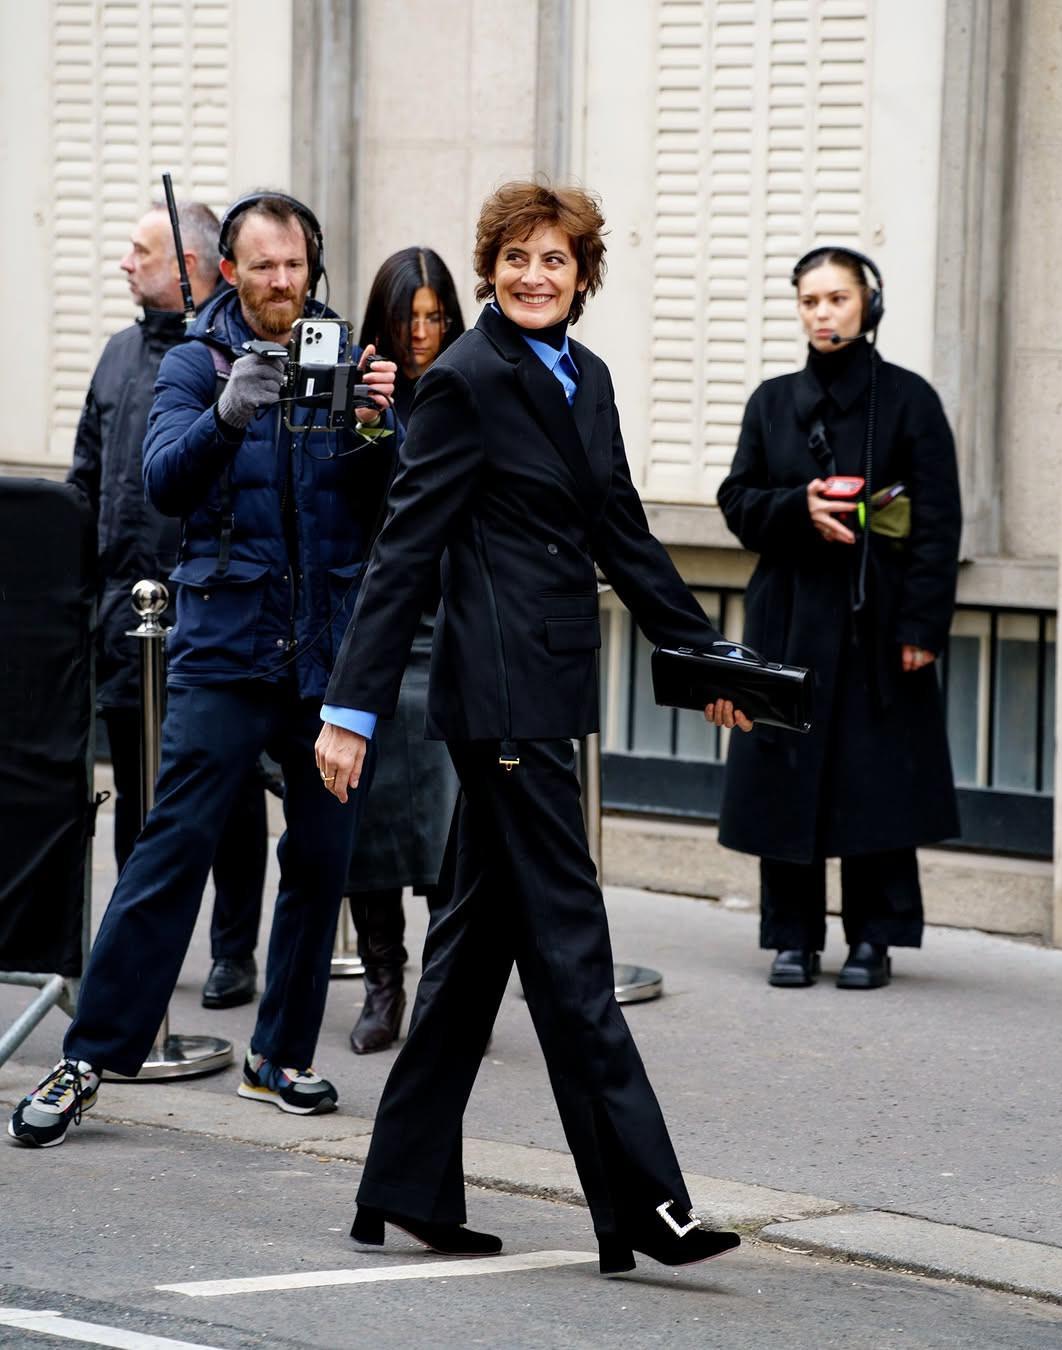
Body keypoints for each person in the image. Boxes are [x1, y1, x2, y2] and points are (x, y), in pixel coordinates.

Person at [315, 181, 751, 1275]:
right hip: (498, 704)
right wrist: (351, 709)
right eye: (515, 259)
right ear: (490, 269)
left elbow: (623, 532)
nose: (533, 276)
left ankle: (402, 1185)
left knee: (469, 956)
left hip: (547, 691)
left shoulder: (585, 377)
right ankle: (646, 1206)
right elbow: (406, 549)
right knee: (573, 956)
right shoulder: (465, 380)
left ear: (582, 273)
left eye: (554, 260)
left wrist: (711, 663)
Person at [8, 191, 395, 1148]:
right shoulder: (194, 360)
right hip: (225, 646)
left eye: (296, 266)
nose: (282, 283)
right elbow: (162, 481)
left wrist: (382, 425)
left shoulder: (342, 358)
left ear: (314, 266)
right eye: (263, 266)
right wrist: (227, 414)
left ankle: (278, 1057)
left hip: (324, 656)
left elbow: (386, 507)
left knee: (321, 859)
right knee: (170, 848)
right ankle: (89, 1057)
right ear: (229, 270)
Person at [716, 246, 962, 991]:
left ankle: (875, 939)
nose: (822, 314)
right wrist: (801, 508)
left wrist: (922, 628)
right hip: (786, 616)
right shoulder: (770, 401)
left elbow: (938, 523)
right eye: (809, 301)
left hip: (878, 622)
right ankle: (791, 937)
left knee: (874, 775)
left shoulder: (911, 401)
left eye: (837, 300)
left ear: (868, 305)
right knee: (785, 771)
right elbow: (738, 502)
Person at [66, 201, 269, 1014]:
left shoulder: (223, 359)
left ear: (192, 266)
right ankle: (139, 951)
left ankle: (233, 952)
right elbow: (87, 478)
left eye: (141, 252)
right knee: (137, 790)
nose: (125, 263)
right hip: (122, 616)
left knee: (231, 791)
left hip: (206, 612)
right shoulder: (117, 355)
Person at [344, 247, 465, 1054]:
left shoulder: (470, 388)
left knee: (455, 825)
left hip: (454, 625)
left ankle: (451, 991)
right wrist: (363, 423)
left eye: (434, 318)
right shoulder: (357, 396)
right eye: (405, 319)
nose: (420, 335)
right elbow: (351, 507)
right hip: (378, 627)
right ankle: (382, 983)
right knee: (374, 816)